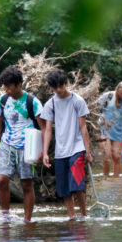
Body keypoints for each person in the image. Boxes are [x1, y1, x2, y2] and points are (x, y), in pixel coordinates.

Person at [0, 66, 45, 223]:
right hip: (6, 144)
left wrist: (43, 152)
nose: (6, 90)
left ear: (19, 84)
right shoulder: (3, 100)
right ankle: (5, 216)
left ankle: (27, 221)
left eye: (9, 87)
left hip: (28, 147)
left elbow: (45, 128)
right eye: (4, 87)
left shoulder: (32, 102)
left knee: (26, 184)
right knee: (1, 180)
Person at [41, 69, 93, 220]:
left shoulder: (77, 101)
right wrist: (45, 153)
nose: (59, 89)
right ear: (51, 87)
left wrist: (87, 153)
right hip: (60, 151)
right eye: (55, 87)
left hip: (77, 148)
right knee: (63, 189)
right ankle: (72, 216)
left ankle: (83, 214)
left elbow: (84, 128)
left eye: (61, 85)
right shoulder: (50, 104)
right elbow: (48, 130)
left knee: (77, 184)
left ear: (66, 83)